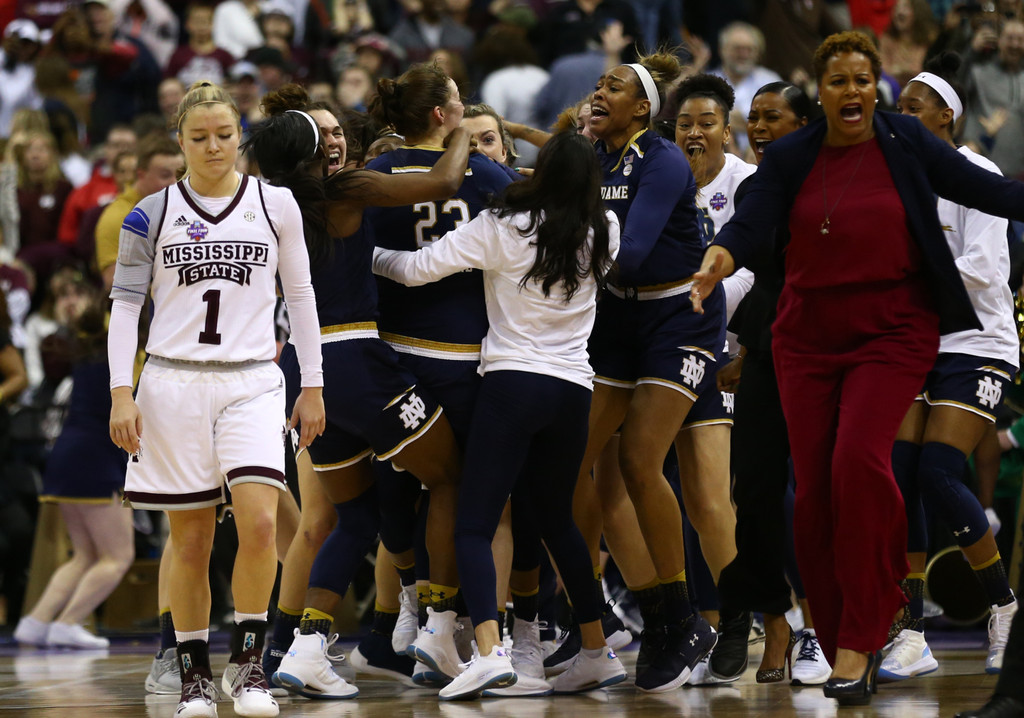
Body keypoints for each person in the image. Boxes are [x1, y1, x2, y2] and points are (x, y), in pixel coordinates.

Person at [691, 30, 1024, 707]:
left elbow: (978, 188)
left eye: (862, 80)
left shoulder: (905, 142)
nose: (852, 92)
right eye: (839, 81)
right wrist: (719, 259)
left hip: (893, 331)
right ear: (822, 91)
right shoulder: (791, 156)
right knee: (813, 493)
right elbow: (751, 224)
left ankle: (867, 633)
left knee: (859, 467)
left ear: (877, 87)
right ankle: (845, 626)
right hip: (807, 336)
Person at [372, 130, 627, 700]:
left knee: (473, 523)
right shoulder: (604, 228)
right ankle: (597, 651)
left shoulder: (506, 225)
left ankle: (488, 652)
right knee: (558, 522)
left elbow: (414, 269)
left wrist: (363, 256)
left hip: (512, 385)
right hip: (573, 390)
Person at [242, 84, 474, 699]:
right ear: (314, 148)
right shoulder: (340, 189)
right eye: (327, 134)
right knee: (450, 477)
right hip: (355, 358)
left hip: (303, 368)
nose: (337, 139)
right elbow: (446, 182)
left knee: (355, 515)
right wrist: (460, 135)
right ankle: (439, 628)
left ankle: (309, 647)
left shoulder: (272, 198)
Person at [108, 80, 325, 718]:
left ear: (241, 138)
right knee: (193, 540)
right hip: (171, 382)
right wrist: (123, 391)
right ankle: (195, 676)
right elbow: (123, 310)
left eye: (225, 135)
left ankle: (251, 666)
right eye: (199, 137)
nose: (213, 146)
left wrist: (313, 382)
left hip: (255, 378)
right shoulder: (147, 213)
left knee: (260, 522)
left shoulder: (277, 204)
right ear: (179, 140)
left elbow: (303, 297)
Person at [570, 50, 720, 693]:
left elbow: (629, 256)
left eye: (617, 87)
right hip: (616, 323)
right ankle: (631, 612)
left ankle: (685, 614)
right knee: (573, 461)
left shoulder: (658, 160)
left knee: (637, 461)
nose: (601, 92)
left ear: (643, 108)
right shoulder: (590, 156)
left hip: (676, 316)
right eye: (599, 83)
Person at [364, 62, 517, 684]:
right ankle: (441, 623)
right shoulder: (483, 173)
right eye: (458, 101)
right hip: (464, 357)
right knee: (464, 492)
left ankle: (408, 604)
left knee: (399, 489)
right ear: (442, 115)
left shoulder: (370, 175)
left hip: (392, 356)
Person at [885, 51, 1018, 682]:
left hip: (979, 341)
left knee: (939, 471)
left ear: (947, 118)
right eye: (900, 107)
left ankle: (1003, 607)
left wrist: (908, 280)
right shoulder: (897, 177)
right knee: (901, 472)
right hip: (920, 341)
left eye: (914, 108)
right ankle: (911, 631)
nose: (901, 116)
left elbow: (986, 270)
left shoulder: (975, 171)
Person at [712, 80, 832, 688]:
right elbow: (745, 262)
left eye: (771, 117)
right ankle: (777, 621)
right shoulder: (759, 186)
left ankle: (822, 627)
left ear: (805, 123)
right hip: (766, 345)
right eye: (752, 118)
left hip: (825, 347)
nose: (757, 127)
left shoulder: (834, 176)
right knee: (756, 495)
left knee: (809, 493)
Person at [670, 72, 753, 684]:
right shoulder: (663, 177)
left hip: (740, 352)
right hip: (674, 349)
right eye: (684, 124)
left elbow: (756, 267)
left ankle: (766, 618)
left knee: (728, 499)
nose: (694, 133)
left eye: (706, 123)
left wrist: (719, 316)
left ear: (729, 129)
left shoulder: (747, 183)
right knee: (690, 498)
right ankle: (701, 621)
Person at [13, 292, 134, 650]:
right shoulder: (122, 360)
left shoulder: (86, 352)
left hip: (67, 455)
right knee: (118, 556)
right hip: (96, 458)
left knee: (86, 555)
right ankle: (66, 623)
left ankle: (35, 623)